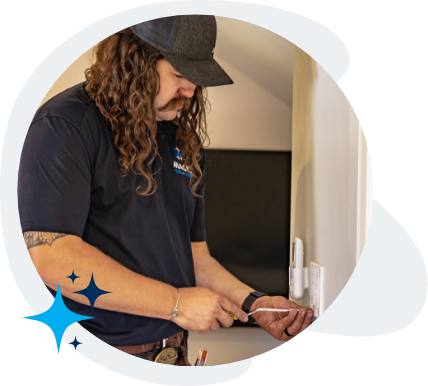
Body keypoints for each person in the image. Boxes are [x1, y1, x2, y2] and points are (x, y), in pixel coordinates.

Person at [18, 15, 313, 366]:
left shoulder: (180, 139)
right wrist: (176, 302)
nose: (190, 91)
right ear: (135, 62)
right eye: (179, 75)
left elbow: (195, 258)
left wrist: (255, 304)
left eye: (196, 79)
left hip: (173, 354)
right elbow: (51, 258)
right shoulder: (64, 127)